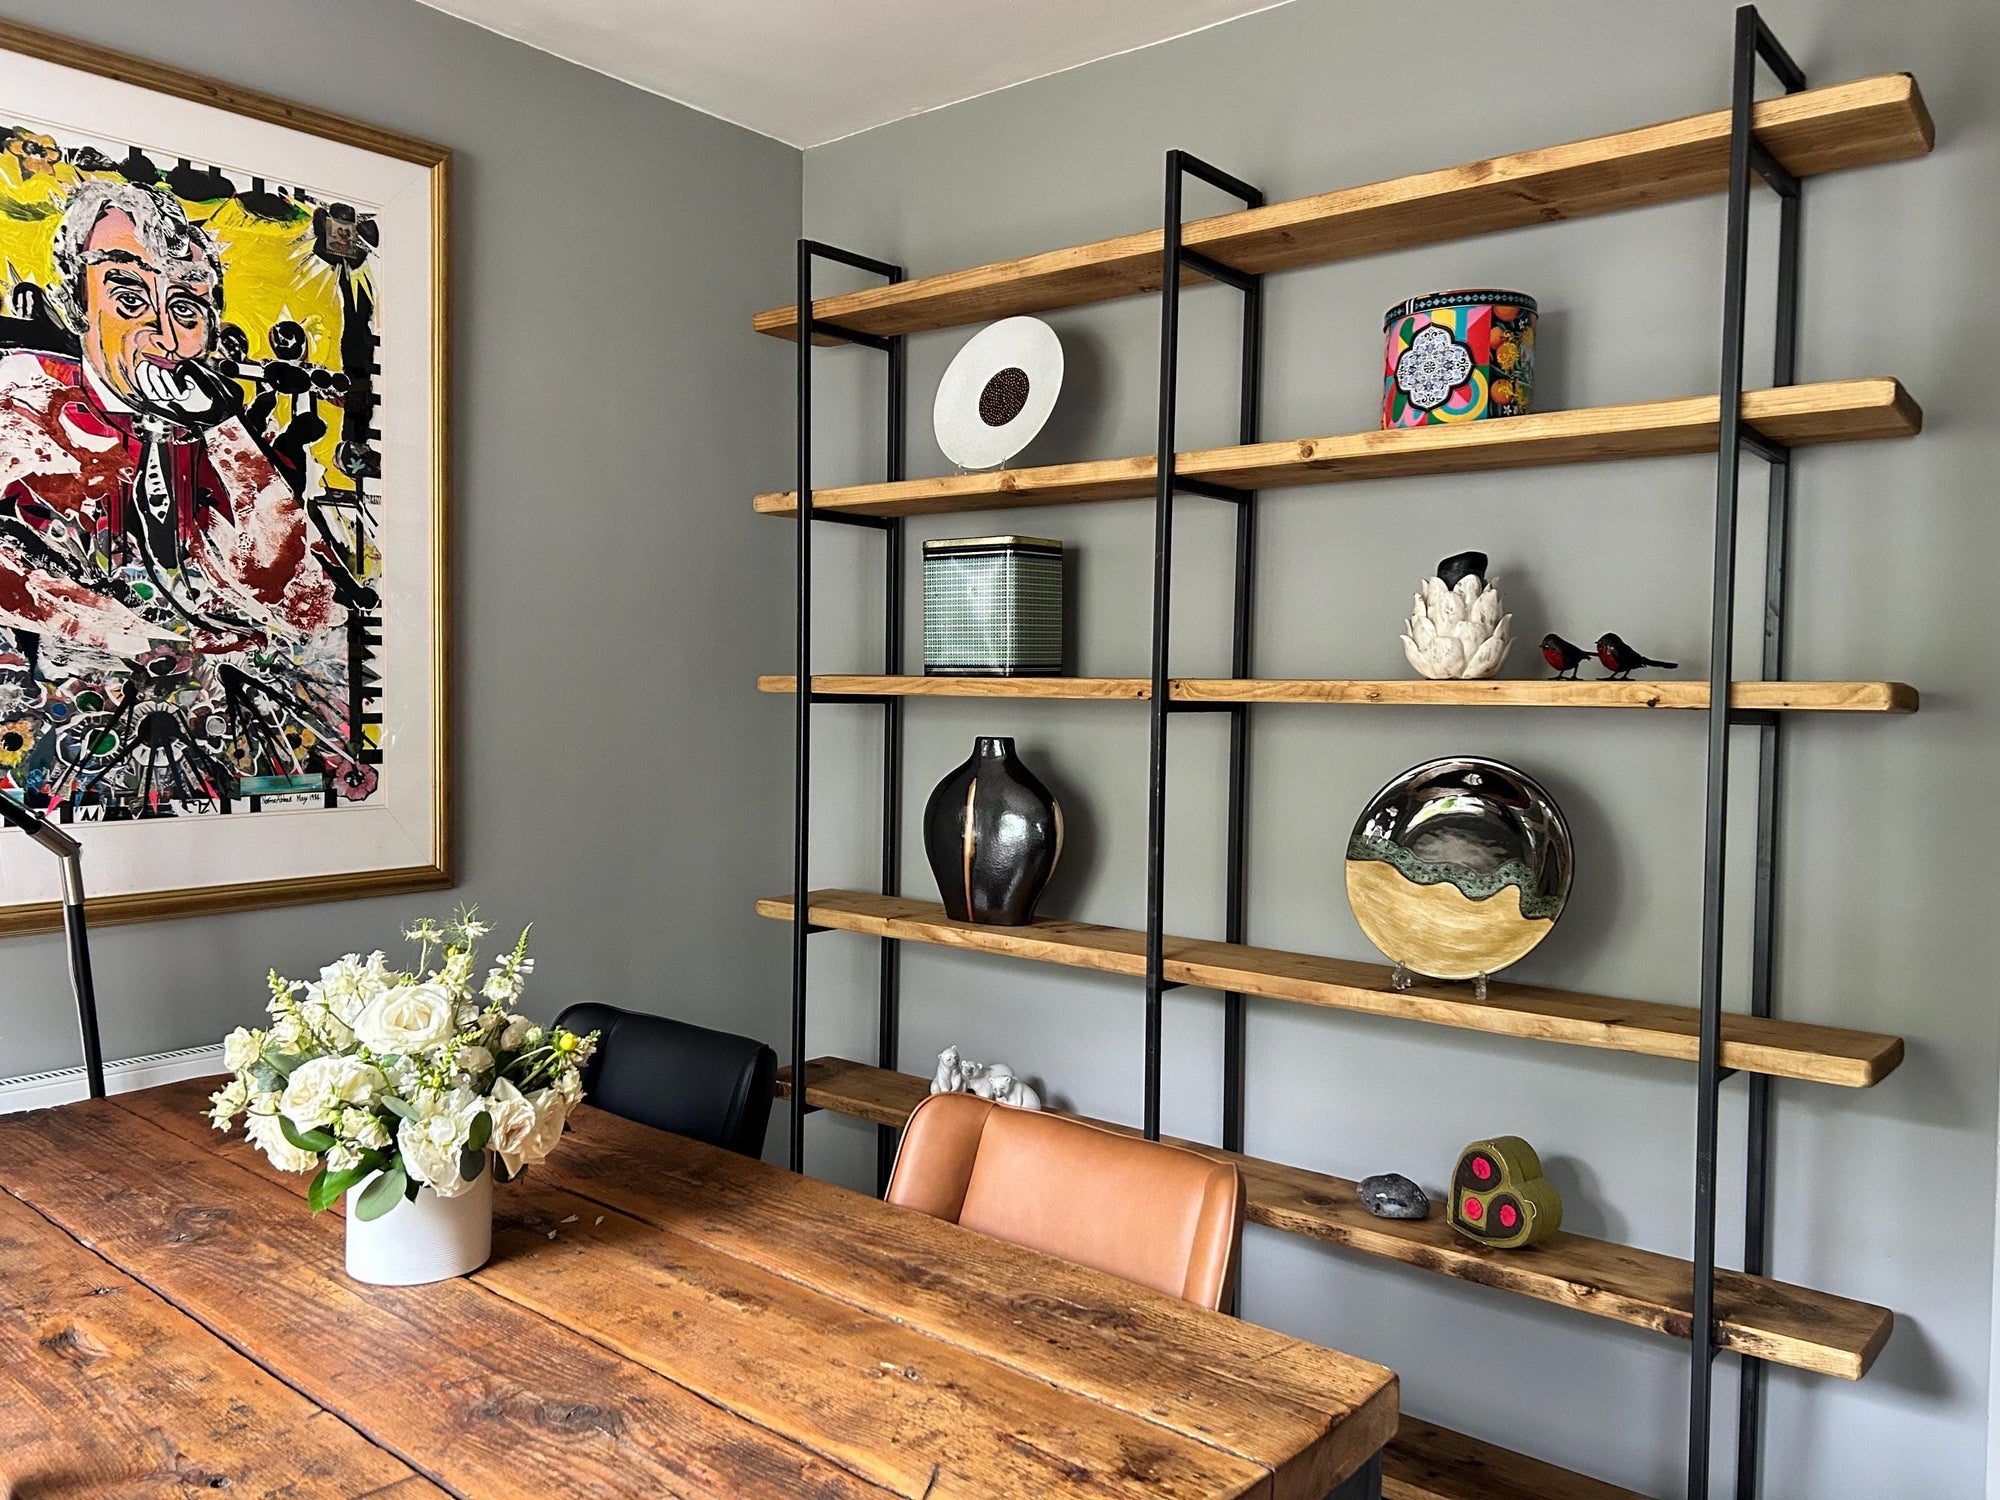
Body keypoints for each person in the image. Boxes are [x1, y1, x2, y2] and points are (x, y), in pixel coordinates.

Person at [0, 181, 350, 806]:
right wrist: (167, 642)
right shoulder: (20, 397)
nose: (163, 335)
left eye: (185, 310)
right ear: (75, 304)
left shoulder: (220, 434)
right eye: (130, 297)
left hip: (215, 742)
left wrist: (225, 435)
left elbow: (307, 603)